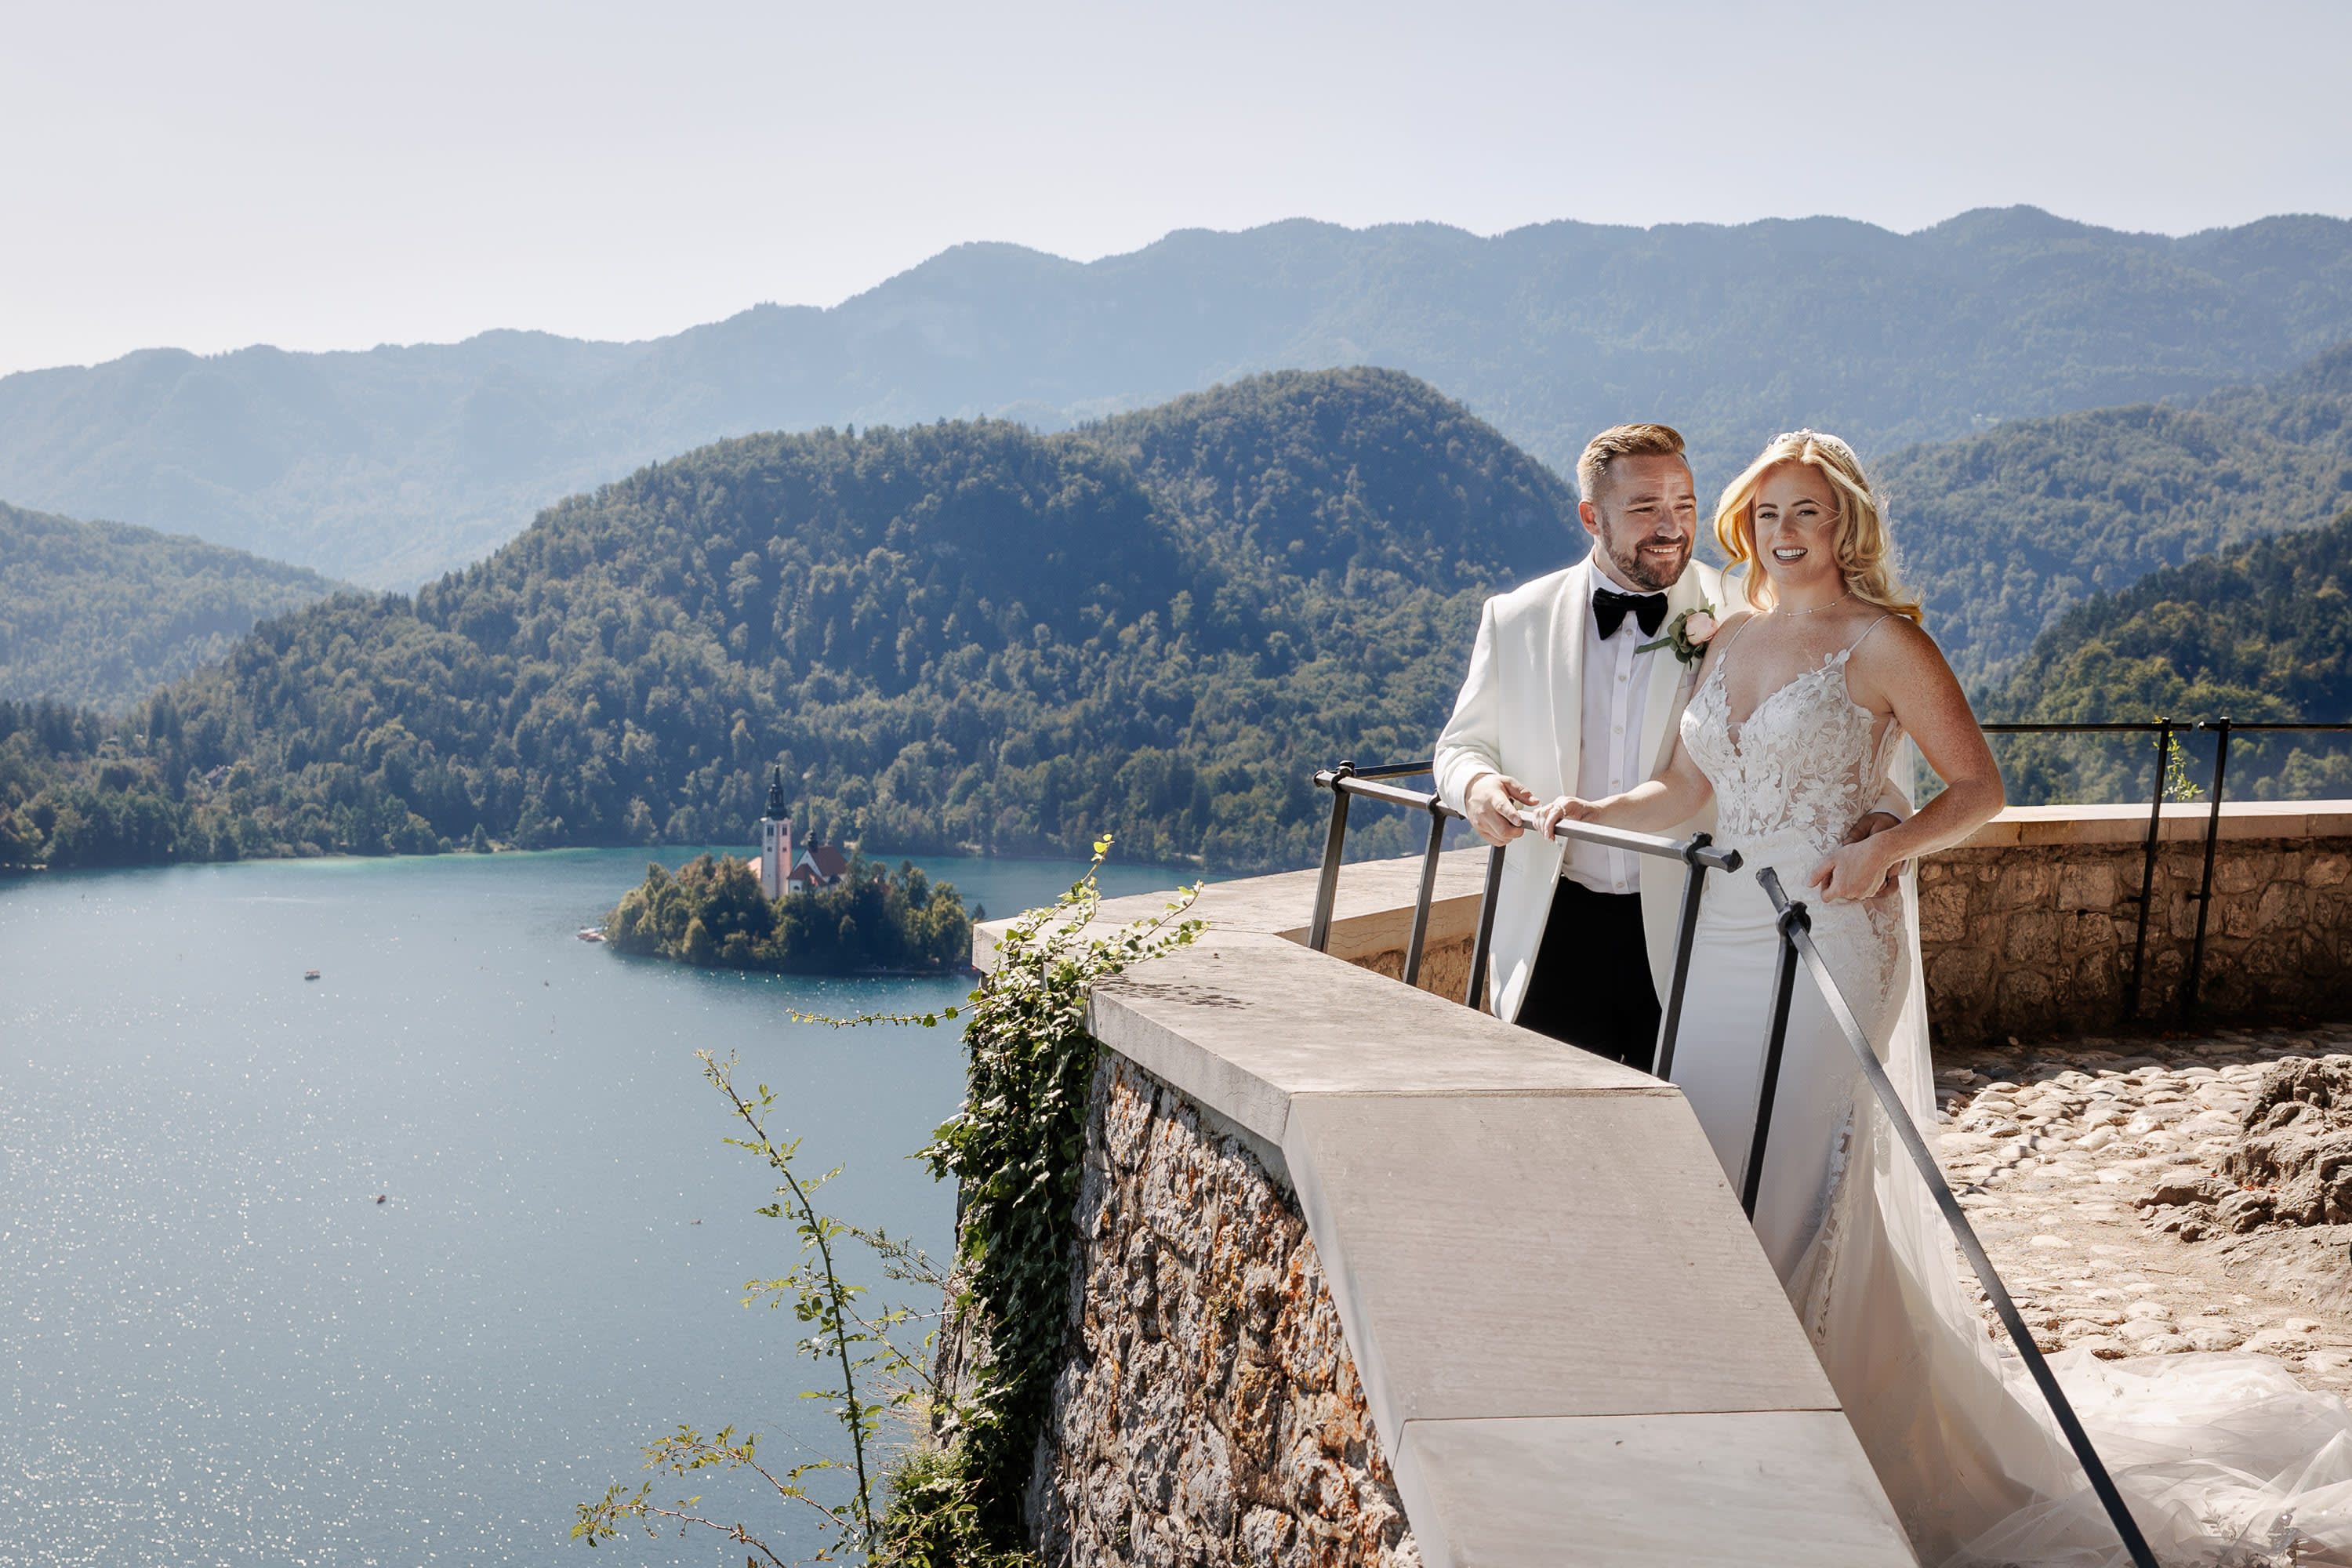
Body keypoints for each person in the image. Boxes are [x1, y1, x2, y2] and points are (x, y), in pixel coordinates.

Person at [1538, 429, 2352, 1566]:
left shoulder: (1882, 644)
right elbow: (1684, 790)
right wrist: (1574, 812)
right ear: (1745, 523)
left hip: (1832, 926)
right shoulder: (1724, 635)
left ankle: (1783, 1465)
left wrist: (1886, 852)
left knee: (1794, 1179)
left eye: (1809, 514)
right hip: (1721, 936)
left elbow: (1980, 788)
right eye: (1769, 513)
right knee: (1710, 1165)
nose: (1786, 532)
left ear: (1845, 526)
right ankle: (1731, 1422)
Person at [1432, 422, 1904, 1067]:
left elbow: (1825, 734)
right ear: (1591, 516)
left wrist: (1890, 817)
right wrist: (1476, 788)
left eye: (1683, 504)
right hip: (1551, 920)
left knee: (1688, 1129)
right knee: (1554, 1134)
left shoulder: (1742, 610)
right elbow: (1460, 747)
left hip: (1696, 918)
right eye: (1646, 508)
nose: (1672, 526)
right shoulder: (1515, 618)